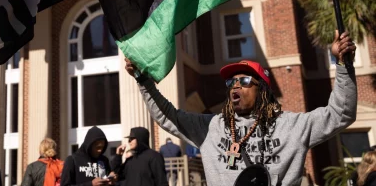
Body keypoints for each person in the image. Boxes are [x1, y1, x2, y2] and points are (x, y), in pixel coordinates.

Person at [125, 31, 357, 186]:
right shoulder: (210, 127)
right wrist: (143, 81)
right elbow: (168, 117)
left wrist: (343, 65)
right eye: (231, 82)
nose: (236, 86)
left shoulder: (292, 125)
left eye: (245, 82)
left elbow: (340, 114)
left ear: (263, 91)